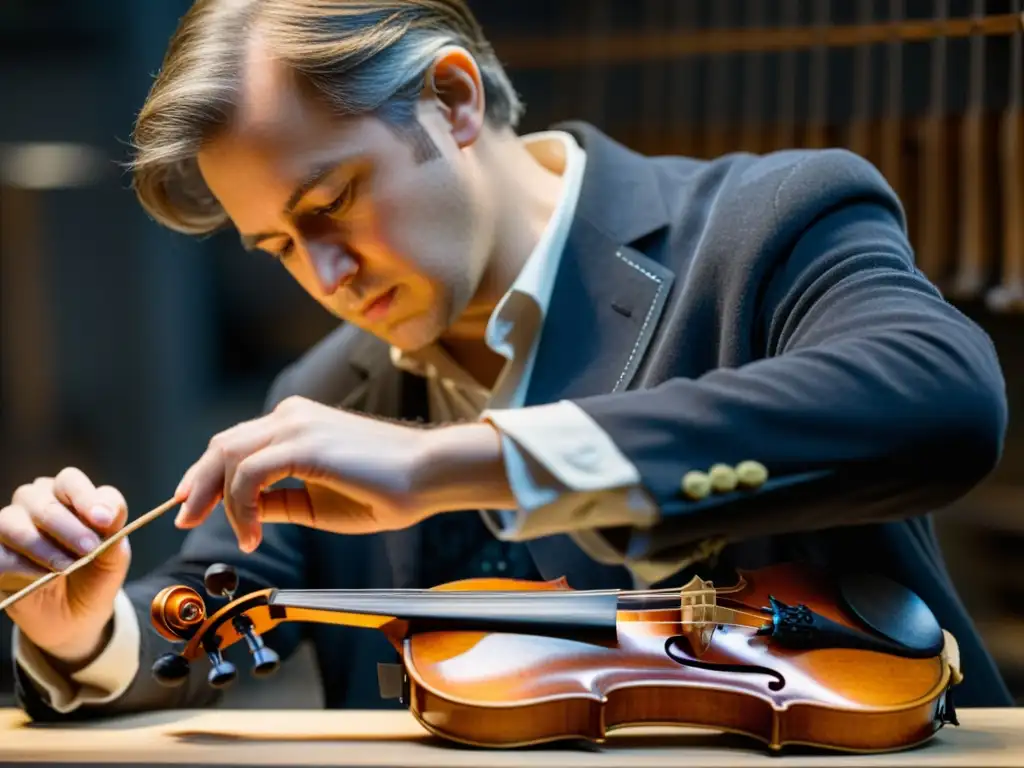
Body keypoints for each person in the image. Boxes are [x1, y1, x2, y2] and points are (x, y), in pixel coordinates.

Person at [0, 0, 1013, 721]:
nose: (324, 275)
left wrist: (450, 464)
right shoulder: (319, 394)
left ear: (451, 100)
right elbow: (191, 620)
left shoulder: (767, 225)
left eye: (330, 204)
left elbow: (940, 397)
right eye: (277, 247)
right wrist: (80, 629)